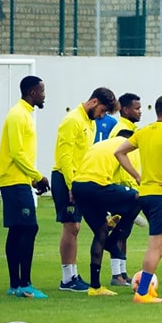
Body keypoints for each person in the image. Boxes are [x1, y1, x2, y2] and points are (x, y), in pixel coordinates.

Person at [115, 94, 162, 304]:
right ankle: (142, 292)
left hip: (145, 195)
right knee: (155, 245)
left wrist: (137, 176)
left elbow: (119, 152)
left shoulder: (142, 132)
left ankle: (145, 277)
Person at [52, 87, 118, 292]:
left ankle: (72, 275)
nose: (102, 116)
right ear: (94, 101)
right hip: (65, 178)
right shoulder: (73, 120)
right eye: (103, 110)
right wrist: (71, 185)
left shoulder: (89, 123)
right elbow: (64, 156)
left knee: (76, 227)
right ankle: (67, 278)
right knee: (71, 226)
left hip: (79, 179)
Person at [0, 75, 51, 299]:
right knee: (29, 228)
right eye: (42, 91)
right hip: (14, 181)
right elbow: (17, 153)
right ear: (32, 93)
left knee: (18, 229)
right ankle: (25, 284)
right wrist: (37, 176)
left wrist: (31, 180)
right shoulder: (18, 115)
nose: (44, 95)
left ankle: (15, 285)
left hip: (19, 180)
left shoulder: (24, 114)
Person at [72, 129, 140, 296]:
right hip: (97, 186)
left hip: (78, 187)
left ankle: (95, 287)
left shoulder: (100, 145)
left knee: (101, 231)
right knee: (138, 197)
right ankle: (112, 241)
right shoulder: (124, 147)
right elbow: (125, 178)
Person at [107, 92, 145, 284]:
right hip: (123, 187)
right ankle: (116, 274)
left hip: (130, 187)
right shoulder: (121, 131)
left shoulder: (131, 129)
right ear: (125, 109)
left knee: (124, 232)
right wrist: (128, 185)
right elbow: (118, 159)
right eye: (136, 108)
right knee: (120, 232)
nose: (140, 111)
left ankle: (122, 273)